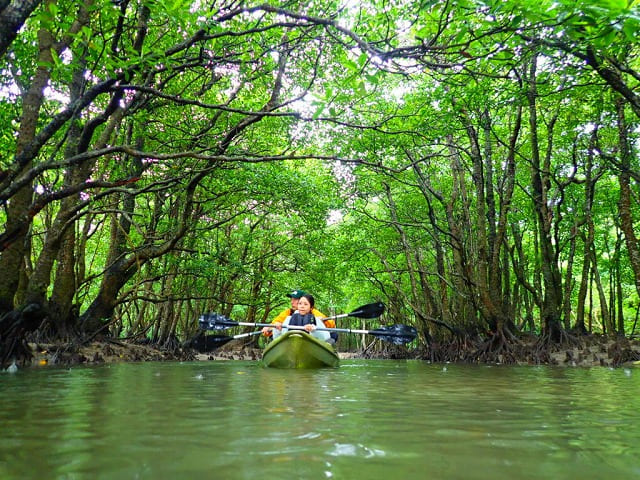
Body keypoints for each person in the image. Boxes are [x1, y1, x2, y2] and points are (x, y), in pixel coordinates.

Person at [262, 289, 337, 342]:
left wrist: (319, 321)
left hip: (310, 339)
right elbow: (275, 323)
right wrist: (269, 328)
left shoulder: (314, 312)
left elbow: (332, 325)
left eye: (295, 300)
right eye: (291, 299)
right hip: (290, 339)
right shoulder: (288, 313)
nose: (292, 302)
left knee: (334, 334)